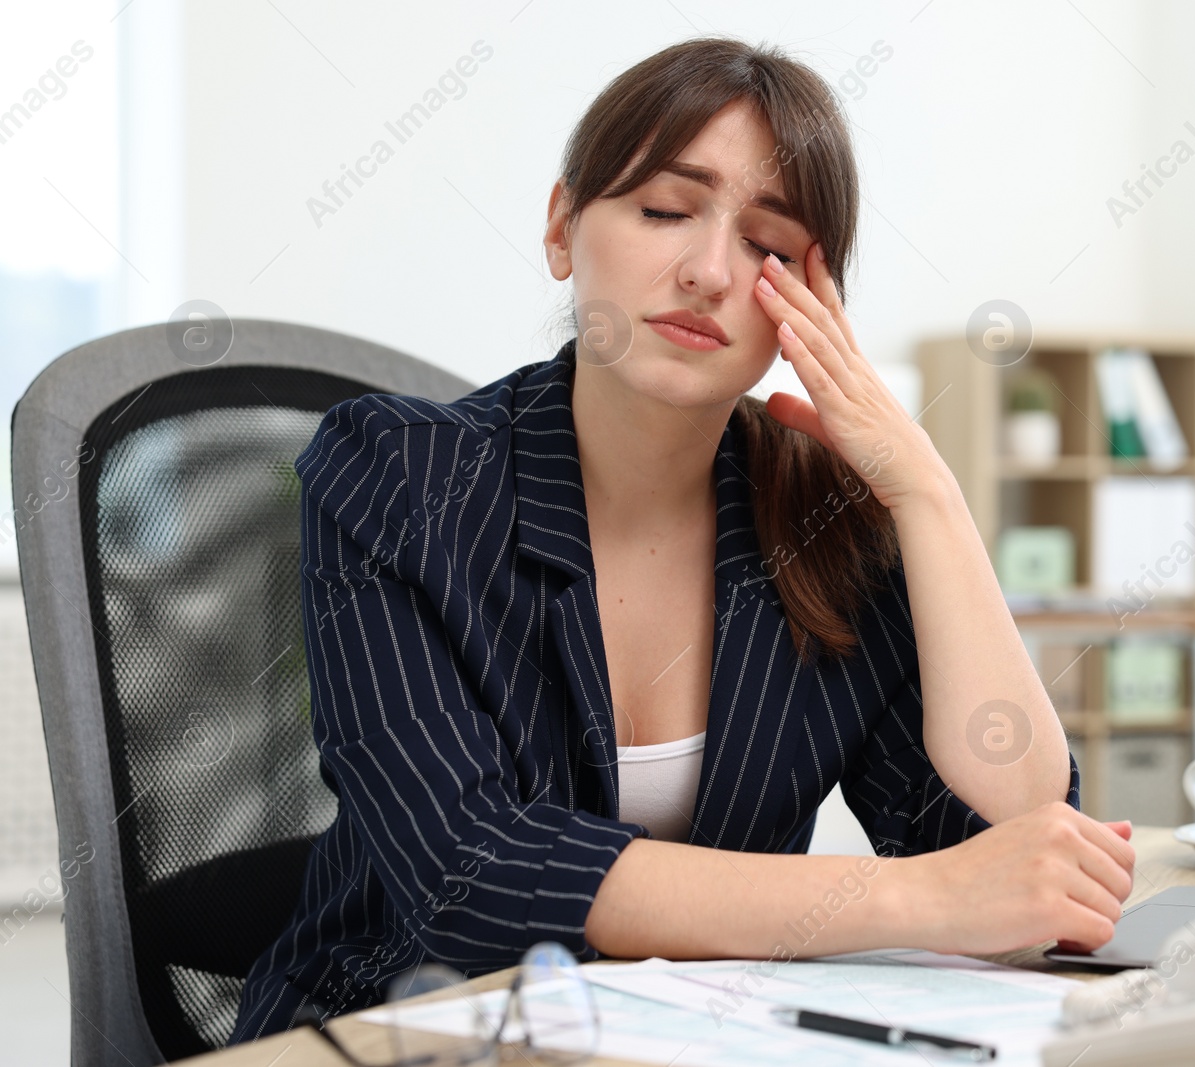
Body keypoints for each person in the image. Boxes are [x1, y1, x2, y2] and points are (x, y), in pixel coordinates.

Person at [229, 35, 1134, 1043]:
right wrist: (922, 898)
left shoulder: (829, 523)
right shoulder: (396, 474)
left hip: (698, 1044)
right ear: (563, 226)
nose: (709, 270)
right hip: (407, 1033)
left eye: (770, 247)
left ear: (811, 306)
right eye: (665, 210)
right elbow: (469, 876)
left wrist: (926, 491)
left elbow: (1003, 841)